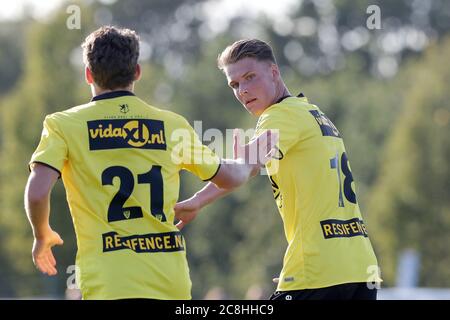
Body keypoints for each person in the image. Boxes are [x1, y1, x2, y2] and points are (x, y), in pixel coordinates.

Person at [24, 28, 277, 300]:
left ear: (88, 74)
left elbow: (38, 193)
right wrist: (248, 162)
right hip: (169, 281)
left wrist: (42, 234)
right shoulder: (171, 125)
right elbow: (228, 177)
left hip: (108, 283)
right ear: (137, 72)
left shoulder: (62, 125)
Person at [175, 39, 382, 300]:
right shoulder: (313, 113)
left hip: (318, 271)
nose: (242, 91)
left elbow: (246, 166)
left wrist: (202, 193)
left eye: (250, 77)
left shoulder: (279, 115)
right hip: (360, 269)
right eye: (235, 84)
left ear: (274, 72)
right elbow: (253, 167)